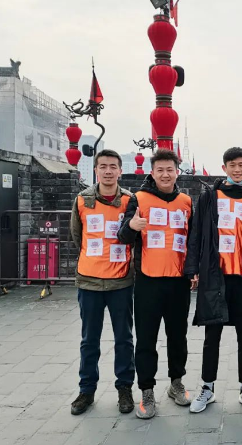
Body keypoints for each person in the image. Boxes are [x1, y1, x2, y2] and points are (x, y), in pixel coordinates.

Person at [184, 147, 242, 415]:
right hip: (215, 276)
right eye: (232, 165)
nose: (237, 169)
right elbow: (196, 233)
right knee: (212, 335)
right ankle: (207, 387)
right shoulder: (210, 196)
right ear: (224, 168)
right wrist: (193, 268)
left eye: (241, 165)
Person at [118, 149, 193, 419]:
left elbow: (193, 240)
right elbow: (122, 237)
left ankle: (176, 383)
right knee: (146, 339)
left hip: (178, 283)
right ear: (152, 172)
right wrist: (133, 226)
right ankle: (147, 391)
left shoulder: (186, 201)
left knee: (178, 337)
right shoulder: (138, 199)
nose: (165, 174)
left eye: (169, 169)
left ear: (177, 172)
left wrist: (193, 271)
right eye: (160, 170)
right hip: (148, 281)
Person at [69, 149, 135, 415]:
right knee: (89, 340)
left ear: (120, 171)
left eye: (113, 166)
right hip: (90, 282)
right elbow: (77, 237)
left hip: (121, 282)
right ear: (95, 170)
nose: (108, 171)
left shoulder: (130, 200)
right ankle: (86, 390)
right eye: (103, 166)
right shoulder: (82, 200)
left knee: (124, 339)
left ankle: (124, 388)